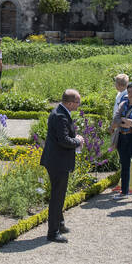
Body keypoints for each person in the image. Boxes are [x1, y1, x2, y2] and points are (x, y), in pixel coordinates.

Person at [40, 89, 84, 242]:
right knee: (57, 197)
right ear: (70, 102)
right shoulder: (60, 116)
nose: (79, 106)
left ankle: (60, 223)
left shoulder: (60, 112)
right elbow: (64, 140)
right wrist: (78, 141)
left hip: (56, 160)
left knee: (59, 194)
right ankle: (53, 232)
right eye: (78, 102)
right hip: (58, 162)